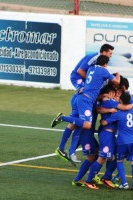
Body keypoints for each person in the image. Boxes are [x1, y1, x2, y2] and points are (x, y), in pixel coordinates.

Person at [51, 55, 120, 189]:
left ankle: (75, 166)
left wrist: (104, 95)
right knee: (87, 128)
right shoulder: (103, 70)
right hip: (85, 101)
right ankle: (62, 119)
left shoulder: (92, 68)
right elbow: (116, 81)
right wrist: (117, 75)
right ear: (105, 64)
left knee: (80, 127)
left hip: (82, 98)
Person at [55, 44, 115, 164]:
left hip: (84, 93)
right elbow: (80, 71)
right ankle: (66, 144)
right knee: (81, 122)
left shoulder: (99, 66)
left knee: (77, 122)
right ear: (103, 53)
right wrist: (91, 83)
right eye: (110, 53)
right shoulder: (94, 58)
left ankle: (66, 150)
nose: (111, 56)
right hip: (77, 79)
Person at [83, 84, 133, 189]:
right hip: (107, 133)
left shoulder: (109, 102)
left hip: (110, 134)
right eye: (115, 92)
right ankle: (88, 180)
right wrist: (132, 106)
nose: (117, 94)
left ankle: (106, 178)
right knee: (102, 158)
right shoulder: (110, 102)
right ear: (110, 93)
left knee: (116, 156)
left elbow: (100, 109)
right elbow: (123, 107)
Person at [101, 92, 133, 191]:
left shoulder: (118, 114)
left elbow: (105, 122)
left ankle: (124, 183)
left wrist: (101, 122)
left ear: (121, 101)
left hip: (123, 141)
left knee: (119, 161)